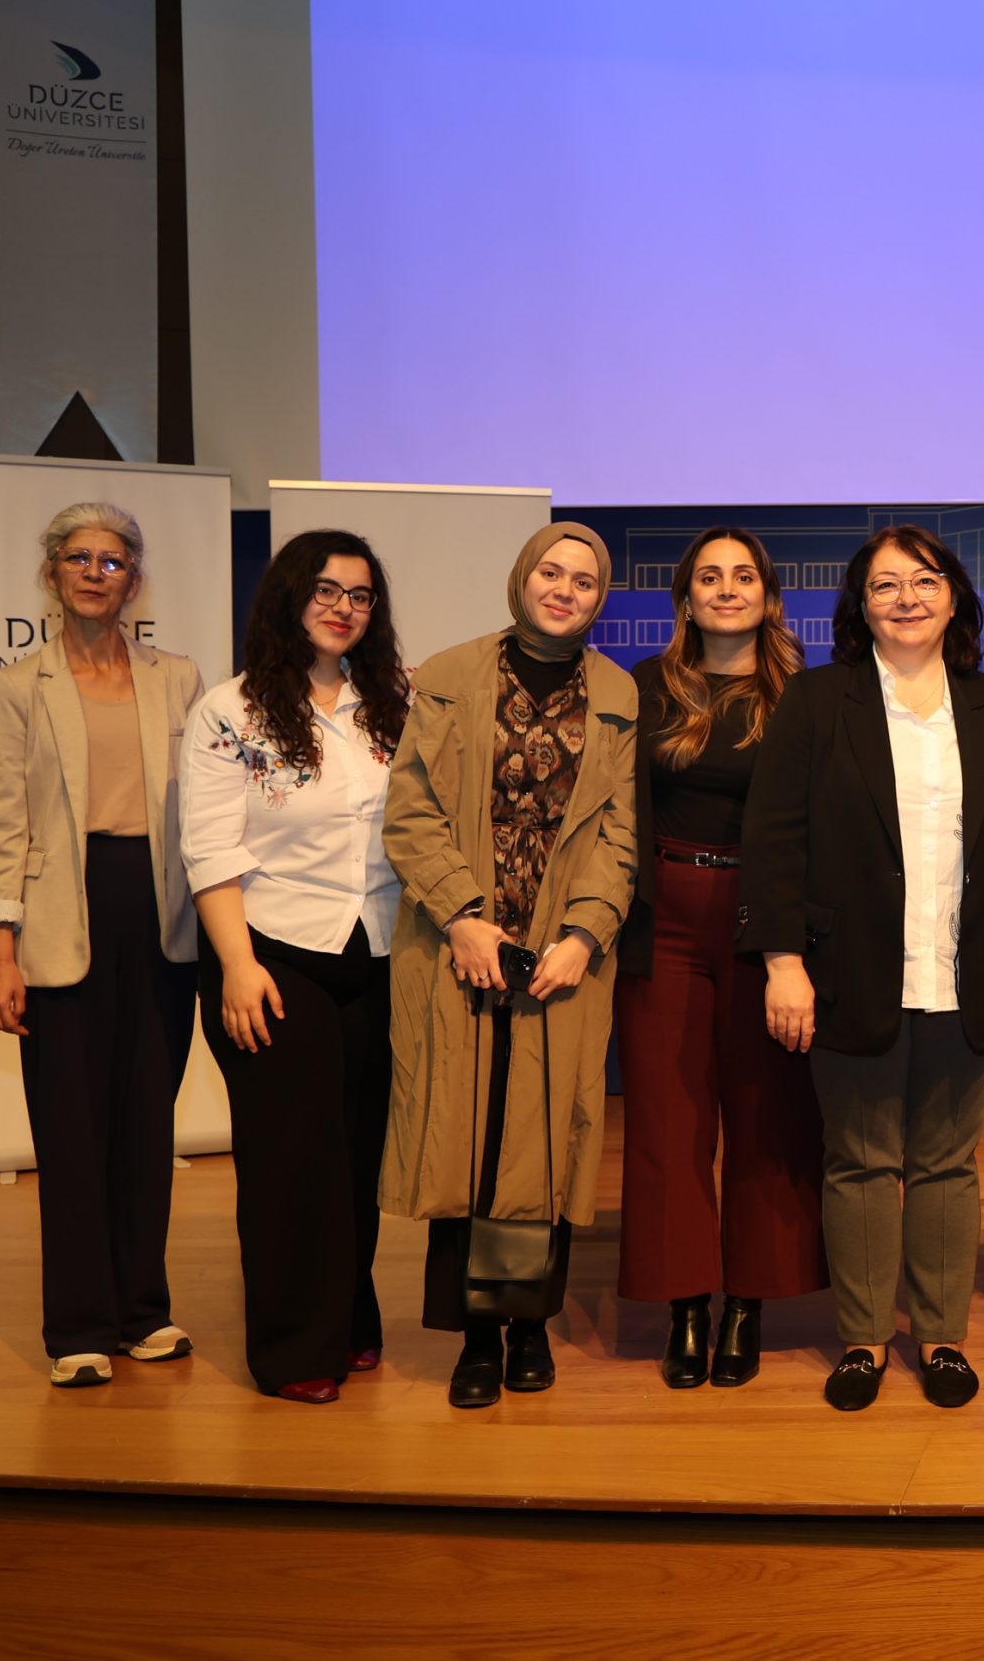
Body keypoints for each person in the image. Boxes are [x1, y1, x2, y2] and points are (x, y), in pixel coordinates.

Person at [739, 525, 984, 1411]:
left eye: (924, 581)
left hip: (965, 970)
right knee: (861, 1159)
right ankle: (864, 1338)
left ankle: (942, 1335)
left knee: (949, 1162)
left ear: (954, 598)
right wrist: (783, 963)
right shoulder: (817, 701)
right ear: (861, 605)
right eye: (885, 585)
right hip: (848, 968)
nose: (907, 598)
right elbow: (773, 840)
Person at [381, 521, 638, 1409]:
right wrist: (461, 916)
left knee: (540, 1139)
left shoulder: (618, 693)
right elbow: (411, 810)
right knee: (467, 1136)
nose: (564, 589)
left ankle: (529, 1325)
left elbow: (621, 833)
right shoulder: (450, 675)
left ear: (601, 598)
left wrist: (584, 934)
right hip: (459, 944)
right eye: (550, 572)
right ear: (522, 577)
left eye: (584, 580)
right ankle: (475, 1337)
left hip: (561, 954)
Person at [0, 501, 205, 1388]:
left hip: (161, 916)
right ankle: (78, 1324)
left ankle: (142, 1309)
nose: (94, 573)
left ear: (134, 580)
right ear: (52, 573)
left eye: (112, 561)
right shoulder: (17, 686)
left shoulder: (179, 678)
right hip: (58, 919)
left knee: (147, 1123)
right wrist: (1, 953)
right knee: (70, 1130)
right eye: (78, 558)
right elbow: (2, 824)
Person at [179, 531, 412, 1403]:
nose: (344, 607)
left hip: (375, 949)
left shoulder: (391, 704)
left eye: (360, 594)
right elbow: (210, 848)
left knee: (356, 1153)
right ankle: (292, 1349)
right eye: (326, 590)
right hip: (270, 955)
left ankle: (348, 1318)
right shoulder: (230, 710)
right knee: (291, 1162)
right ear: (288, 596)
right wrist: (236, 964)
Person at [615, 527, 827, 1389]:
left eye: (744, 576)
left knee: (767, 1118)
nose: (728, 588)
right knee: (667, 1122)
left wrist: (795, 945)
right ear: (686, 597)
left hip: (764, 919)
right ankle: (685, 1308)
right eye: (710, 576)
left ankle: (746, 1303)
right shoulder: (644, 686)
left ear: (769, 597)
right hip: (664, 915)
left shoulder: (806, 696)